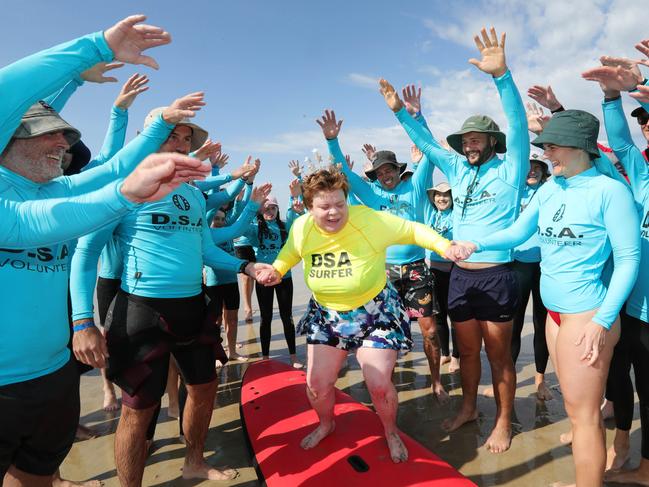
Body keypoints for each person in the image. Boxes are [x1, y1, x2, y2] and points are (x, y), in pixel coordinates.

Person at [0, 15, 175, 486]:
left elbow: (111, 168)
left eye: (66, 135)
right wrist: (93, 48)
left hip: (54, 375)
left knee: (36, 476)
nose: (66, 142)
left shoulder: (52, 187)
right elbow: (32, 224)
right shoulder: (10, 194)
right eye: (51, 134)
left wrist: (158, 128)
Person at [69, 101, 270, 485]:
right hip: (141, 308)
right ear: (151, 140)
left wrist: (247, 266)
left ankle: (194, 460)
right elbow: (86, 253)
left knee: (205, 388)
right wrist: (83, 321)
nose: (180, 143)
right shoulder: (124, 189)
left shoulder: (193, 195)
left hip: (193, 306)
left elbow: (206, 249)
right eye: (171, 135)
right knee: (138, 409)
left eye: (185, 137)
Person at [454, 109, 640, 486]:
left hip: (585, 316)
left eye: (553, 146)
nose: (547, 153)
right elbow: (517, 232)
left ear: (580, 147)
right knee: (576, 410)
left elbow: (628, 259)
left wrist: (603, 321)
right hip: (555, 316)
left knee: (584, 417)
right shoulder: (552, 188)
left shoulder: (610, 191)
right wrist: (476, 243)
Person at [379, 27, 529, 453]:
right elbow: (425, 142)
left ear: (492, 142)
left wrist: (502, 77)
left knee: (499, 357)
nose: (469, 144)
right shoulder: (458, 168)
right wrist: (400, 113)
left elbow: (518, 126)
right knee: (466, 354)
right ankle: (468, 407)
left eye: (477, 138)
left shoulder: (511, 167)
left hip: (497, 274)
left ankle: (503, 421)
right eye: (465, 140)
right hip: (460, 276)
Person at [256, 167, 463, 463]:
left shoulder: (368, 220)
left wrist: (446, 246)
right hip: (326, 315)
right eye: (324, 207)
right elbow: (290, 252)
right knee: (316, 385)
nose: (333, 213)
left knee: (378, 384)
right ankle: (326, 424)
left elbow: (413, 230)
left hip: (375, 313)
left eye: (340, 204)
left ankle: (390, 430)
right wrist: (277, 269)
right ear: (309, 206)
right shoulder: (301, 227)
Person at [317, 101, 448, 402]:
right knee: (382, 334)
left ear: (398, 170)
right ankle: (386, 382)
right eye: (380, 171)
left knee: (429, 331)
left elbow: (427, 148)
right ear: (376, 175)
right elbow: (345, 173)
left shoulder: (414, 187)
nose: (386, 174)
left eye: (390, 169)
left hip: (416, 268)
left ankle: (437, 381)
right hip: (383, 271)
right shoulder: (372, 194)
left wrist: (417, 116)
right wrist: (332, 141)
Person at [582, 52, 649, 484]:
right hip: (633, 301)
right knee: (626, 382)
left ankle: (645, 468)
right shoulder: (642, 174)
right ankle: (630, 451)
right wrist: (610, 95)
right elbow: (621, 144)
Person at [510, 154, 552, 401]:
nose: (533, 171)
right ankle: (509, 379)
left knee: (541, 323)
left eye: (538, 168)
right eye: (529, 167)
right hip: (518, 265)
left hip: (545, 266)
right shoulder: (515, 193)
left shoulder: (549, 191)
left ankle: (540, 380)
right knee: (513, 324)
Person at [247, 194, 304, 367]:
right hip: (263, 278)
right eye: (266, 208)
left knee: (287, 317)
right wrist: (250, 206)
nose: (269, 211)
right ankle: (265, 357)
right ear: (260, 211)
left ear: (277, 209)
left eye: (272, 208)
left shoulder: (284, 227)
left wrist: (295, 198)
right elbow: (240, 227)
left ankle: (293, 356)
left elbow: (299, 224)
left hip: (283, 277)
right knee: (266, 317)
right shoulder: (255, 229)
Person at [424, 181, 460, 372]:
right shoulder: (430, 214)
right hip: (434, 269)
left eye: (446, 194)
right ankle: (445, 353)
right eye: (438, 194)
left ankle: (456, 357)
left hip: (455, 268)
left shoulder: (457, 214)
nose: (442, 198)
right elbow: (420, 186)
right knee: (439, 315)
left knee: (455, 315)